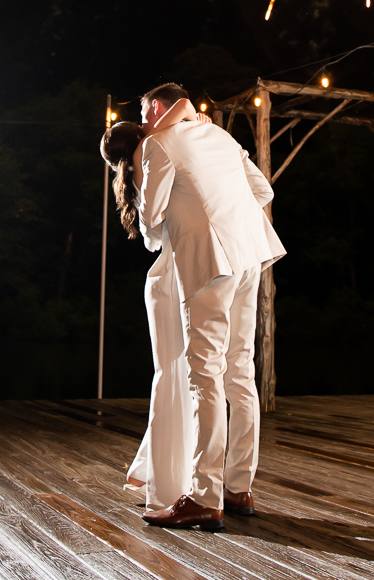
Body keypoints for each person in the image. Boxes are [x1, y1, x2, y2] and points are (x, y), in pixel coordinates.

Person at [136, 83, 286, 532]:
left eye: (144, 111)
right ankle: (239, 487)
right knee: (240, 368)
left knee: (205, 375)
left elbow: (149, 224)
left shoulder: (157, 144)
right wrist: (224, 214)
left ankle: (204, 497)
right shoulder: (219, 135)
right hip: (248, 255)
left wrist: (187, 225)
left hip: (208, 263)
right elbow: (263, 191)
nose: (143, 120)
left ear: (157, 107)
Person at [100, 97, 209, 510]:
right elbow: (181, 105)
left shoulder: (142, 166)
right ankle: (164, 481)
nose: (150, 125)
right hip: (169, 279)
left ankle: (154, 468)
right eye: (142, 124)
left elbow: (150, 235)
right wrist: (193, 118)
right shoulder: (154, 154)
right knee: (172, 374)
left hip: (172, 275)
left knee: (175, 373)